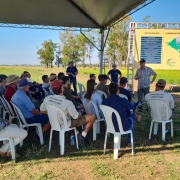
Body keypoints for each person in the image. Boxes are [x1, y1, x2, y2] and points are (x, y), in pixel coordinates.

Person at [40, 80, 95, 148]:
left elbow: (42, 110)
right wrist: (80, 112)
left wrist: (53, 114)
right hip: (66, 123)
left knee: (69, 116)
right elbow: (77, 117)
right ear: (62, 88)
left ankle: (77, 133)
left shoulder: (47, 98)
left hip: (54, 122)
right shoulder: (67, 103)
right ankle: (82, 136)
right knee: (92, 117)